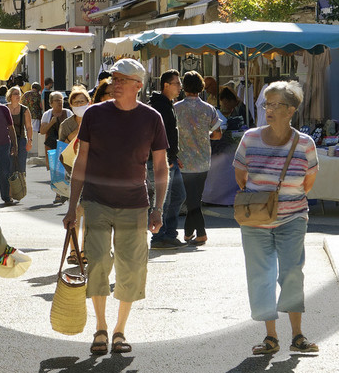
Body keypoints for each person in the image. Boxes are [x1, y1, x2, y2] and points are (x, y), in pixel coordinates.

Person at [63, 57, 168, 356]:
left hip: (134, 204)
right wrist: (72, 207)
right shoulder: (95, 114)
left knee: (131, 267)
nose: (115, 83)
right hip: (96, 200)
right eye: (114, 78)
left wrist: (158, 207)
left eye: (122, 79)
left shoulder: (152, 118)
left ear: (138, 85)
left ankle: (120, 329)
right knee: (97, 261)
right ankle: (101, 326)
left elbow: (161, 165)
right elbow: (81, 159)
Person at [234, 79, 320, 357]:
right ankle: (270, 336)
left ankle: (297, 335)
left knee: (292, 272)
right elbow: (240, 177)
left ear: (291, 110)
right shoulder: (250, 138)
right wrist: (264, 202)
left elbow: (308, 183)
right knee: (261, 276)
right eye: (266, 104)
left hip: (292, 218)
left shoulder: (305, 144)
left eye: (275, 105)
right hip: (255, 220)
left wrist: (282, 200)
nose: (268, 110)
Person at [173, 71, 226, 245]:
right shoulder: (209, 109)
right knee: (195, 197)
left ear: (184, 87)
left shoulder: (176, 108)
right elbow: (217, 135)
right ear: (201, 87)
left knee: (191, 198)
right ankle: (190, 232)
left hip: (183, 159)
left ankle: (200, 233)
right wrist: (204, 135)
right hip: (203, 159)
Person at [147, 69, 184, 249]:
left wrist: (175, 155)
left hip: (171, 159)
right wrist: (166, 158)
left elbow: (171, 134)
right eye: (177, 83)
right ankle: (159, 237)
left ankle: (169, 234)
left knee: (178, 196)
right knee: (164, 200)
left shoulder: (168, 104)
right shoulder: (158, 106)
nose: (180, 87)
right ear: (166, 85)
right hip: (161, 161)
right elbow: (156, 137)